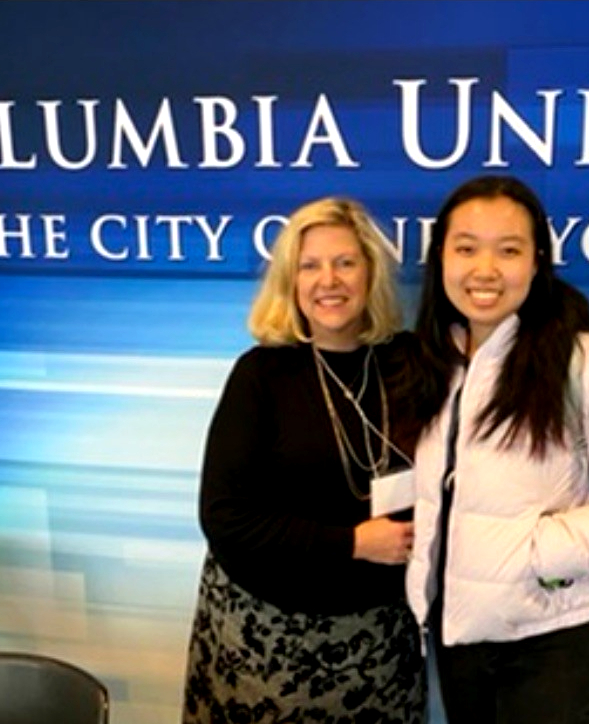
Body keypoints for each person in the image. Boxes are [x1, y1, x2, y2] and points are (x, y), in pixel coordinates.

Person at [404, 175, 589, 723]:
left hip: (552, 645)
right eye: (466, 248)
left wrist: (537, 554)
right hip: (459, 637)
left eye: (508, 250)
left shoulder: (587, 364)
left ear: (536, 262)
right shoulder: (437, 364)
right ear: (440, 259)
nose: (484, 270)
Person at [182, 197, 426, 724]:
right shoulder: (261, 376)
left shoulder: (409, 363)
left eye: (345, 262)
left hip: (380, 642)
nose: (328, 280)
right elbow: (225, 517)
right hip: (267, 645)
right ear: (291, 283)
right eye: (309, 266)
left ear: (370, 274)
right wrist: (353, 542)